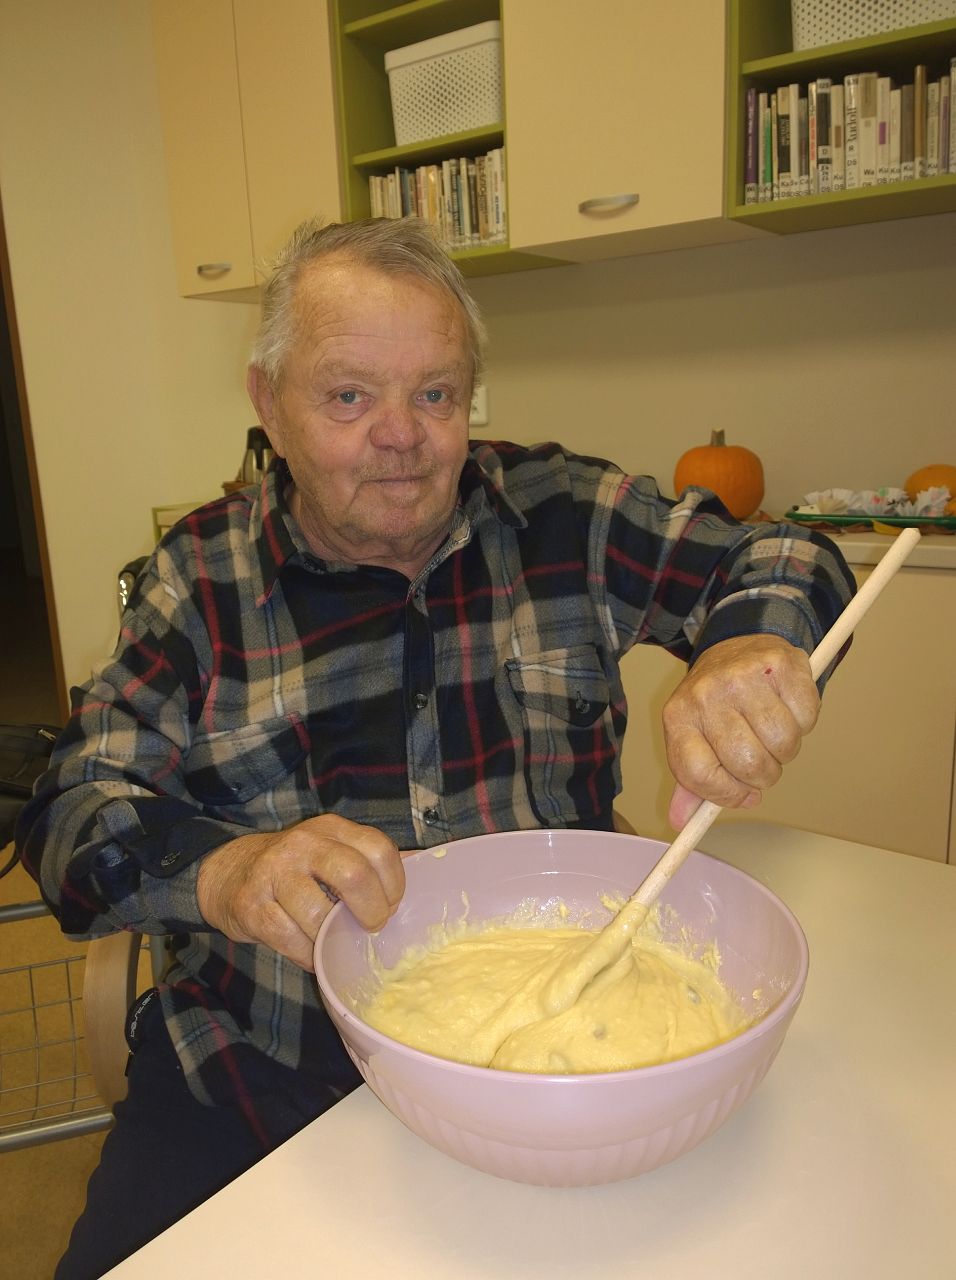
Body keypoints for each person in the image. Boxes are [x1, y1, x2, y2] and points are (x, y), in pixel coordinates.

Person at [17, 216, 855, 1278]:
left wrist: (745, 646)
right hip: (262, 1073)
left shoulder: (563, 515)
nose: (401, 436)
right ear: (268, 402)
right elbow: (70, 811)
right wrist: (228, 873)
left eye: (435, 393)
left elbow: (789, 555)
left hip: (568, 1076)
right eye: (348, 395)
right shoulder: (199, 580)